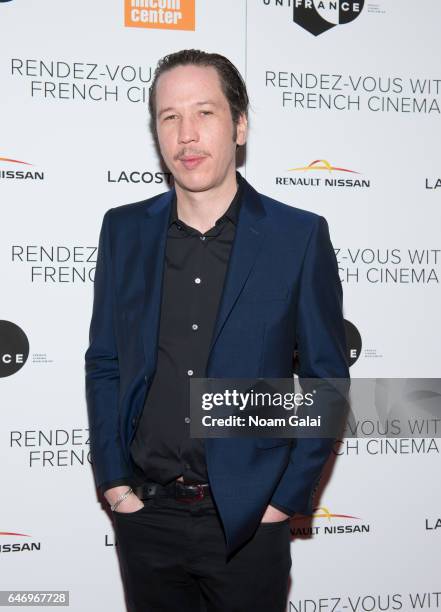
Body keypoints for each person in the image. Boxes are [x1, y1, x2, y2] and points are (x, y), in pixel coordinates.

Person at [85, 48, 349, 612]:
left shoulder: (296, 237)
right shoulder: (124, 231)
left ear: (241, 124)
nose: (187, 134)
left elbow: (327, 378)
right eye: (169, 116)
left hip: (250, 524)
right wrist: (114, 482)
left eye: (204, 112)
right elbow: (105, 360)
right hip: (146, 516)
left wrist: (282, 501)